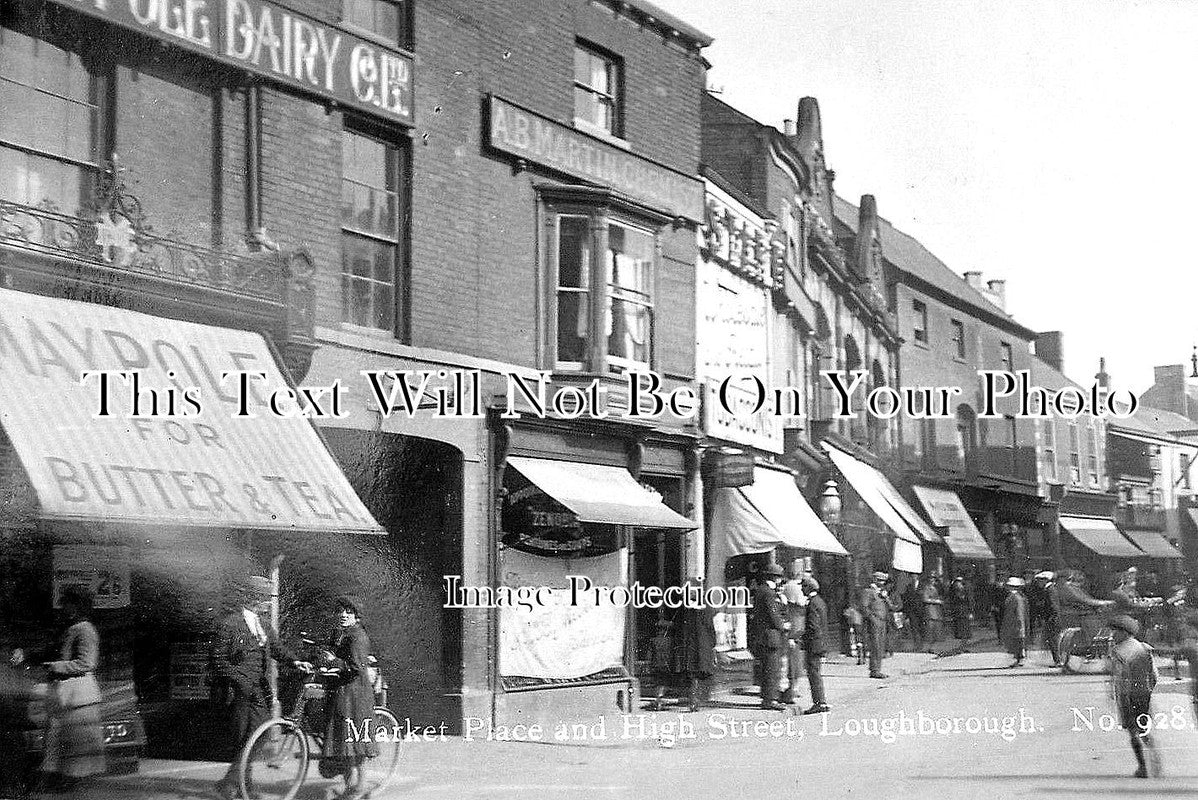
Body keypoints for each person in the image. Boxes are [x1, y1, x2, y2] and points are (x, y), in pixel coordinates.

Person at [210, 575, 310, 800]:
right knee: (243, 738)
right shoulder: (230, 624)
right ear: (254, 599)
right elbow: (217, 659)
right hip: (237, 691)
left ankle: (230, 783)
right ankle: (243, 787)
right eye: (266, 598)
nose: (269, 603)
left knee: (260, 733)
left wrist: (296, 661)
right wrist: (239, 680)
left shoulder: (263, 625)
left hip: (258, 690)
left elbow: (278, 649)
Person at [16, 587, 106, 793]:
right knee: (58, 739)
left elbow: (87, 663)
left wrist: (56, 666)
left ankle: (71, 783)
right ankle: (58, 781)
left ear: (79, 606)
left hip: (78, 696)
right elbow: (51, 650)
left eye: (69, 603)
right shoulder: (70, 628)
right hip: (64, 695)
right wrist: (27, 654)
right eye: (65, 603)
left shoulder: (85, 630)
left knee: (76, 743)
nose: (64, 607)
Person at [317, 596, 379, 800]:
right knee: (344, 746)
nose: (343, 615)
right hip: (342, 694)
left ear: (357, 616)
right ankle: (349, 787)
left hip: (355, 695)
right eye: (341, 611)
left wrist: (334, 661)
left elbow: (356, 667)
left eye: (349, 612)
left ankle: (360, 787)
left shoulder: (358, 636)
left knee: (355, 743)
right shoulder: (343, 633)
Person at [1109, 614, 1161, 778]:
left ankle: (1143, 767)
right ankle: (1155, 760)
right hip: (1144, 695)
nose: (1112, 635)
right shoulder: (1144, 648)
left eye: (1115, 631)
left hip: (1127, 696)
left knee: (1133, 732)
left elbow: (1118, 677)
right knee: (1144, 730)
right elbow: (1154, 676)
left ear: (1125, 632)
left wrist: (1116, 695)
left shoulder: (1118, 652)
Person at [673, 578, 717, 712]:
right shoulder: (706, 606)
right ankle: (697, 700)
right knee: (699, 672)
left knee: (692, 673)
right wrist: (713, 644)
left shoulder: (684, 607)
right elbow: (710, 626)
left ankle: (693, 700)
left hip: (689, 644)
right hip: (702, 644)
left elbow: (678, 626)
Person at [748, 563, 788, 710]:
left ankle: (768, 697)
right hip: (770, 636)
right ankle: (770, 699)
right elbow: (773, 614)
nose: (780, 580)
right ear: (775, 578)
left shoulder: (761, 590)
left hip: (763, 636)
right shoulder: (769, 593)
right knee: (772, 668)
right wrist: (783, 626)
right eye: (779, 577)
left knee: (768, 668)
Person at [800, 577, 830, 715]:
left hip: (814, 644)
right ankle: (821, 701)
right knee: (816, 672)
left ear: (808, 587)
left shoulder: (812, 603)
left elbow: (813, 625)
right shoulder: (820, 601)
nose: (801, 589)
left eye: (803, 586)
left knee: (813, 673)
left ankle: (819, 702)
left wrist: (804, 638)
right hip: (820, 642)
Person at [779, 561, 808, 705]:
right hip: (795, 629)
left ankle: (791, 689)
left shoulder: (786, 587)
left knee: (791, 661)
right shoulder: (794, 587)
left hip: (792, 629)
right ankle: (792, 690)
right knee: (794, 662)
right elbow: (801, 603)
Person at [860, 571, 895, 679]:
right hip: (875, 621)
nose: (882, 582)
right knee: (875, 646)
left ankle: (877, 669)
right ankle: (874, 670)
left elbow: (891, 606)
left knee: (880, 646)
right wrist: (872, 618)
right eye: (880, 580)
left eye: (883, 581)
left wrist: (886, 597)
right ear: (874, 580)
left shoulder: (881, 592)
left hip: (882, 621)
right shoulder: (868, 591)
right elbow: (864, 607)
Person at [1001, 577, 1030, 667]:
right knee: (1015, 641)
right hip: (1012, 622)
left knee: (1018, 641)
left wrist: (1020, 624)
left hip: (1016, 623)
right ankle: (1018, 658)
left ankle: (1020, 659)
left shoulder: (1016, 598)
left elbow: (1019, 612)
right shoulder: (1013, 597)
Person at [1039, 571, 1062, 666]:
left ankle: (1058, 661)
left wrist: (1052, 618)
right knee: (1053, 640)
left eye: (1041, 580)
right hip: (1052, 618)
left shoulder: (1050, 590)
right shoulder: (1049, 589)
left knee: (1053, 640)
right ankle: (1057, 660)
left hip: (1052, 619)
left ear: (1046, 580)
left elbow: (1053, 605)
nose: (1039, 582)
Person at [921, 576, 945, 652]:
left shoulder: (935, 588)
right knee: (930, 630)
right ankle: (929, 647)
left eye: (934, 580)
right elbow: (925, 599)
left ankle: (933, 647)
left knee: (936, 630)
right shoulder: (927, 588)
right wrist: (936, 601)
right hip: (930, 611)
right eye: (931, 579)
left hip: (936, 611)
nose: (933, 581)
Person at [901, 578, 925, 652]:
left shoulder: (923, 585)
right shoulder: (909, 586)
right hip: (912, 612)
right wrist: (906, 612)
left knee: (921, 628)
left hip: (922, 611)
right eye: (912, 575)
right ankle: (917, 646)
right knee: (914, 628)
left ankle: (922, 645)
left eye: (915, 575)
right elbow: (906, 599)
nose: (914, 577)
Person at [948, 576, 972, 641]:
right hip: (958, 608)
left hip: (964, 608)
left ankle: (965, 634)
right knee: (959, 621)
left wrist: (970, 610)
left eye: (960, 582)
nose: (958, 584)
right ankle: (959, 634)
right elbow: (953, 598)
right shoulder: (954, 590)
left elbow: (968, 600)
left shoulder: (965, 589)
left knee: (964, 621)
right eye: (957, 582)